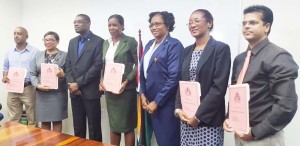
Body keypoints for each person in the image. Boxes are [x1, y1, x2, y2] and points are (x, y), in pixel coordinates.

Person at [223, 5, 298, 146]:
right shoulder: (240, 59)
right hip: (239, 134)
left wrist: (255, 132)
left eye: (253, 23)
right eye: (244, 23)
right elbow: (236, 94)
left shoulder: (278, 56)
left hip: (263, 138)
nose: (246, 27)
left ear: (266, 27)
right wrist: (229, 117)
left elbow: (286, 105)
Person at [175, 9, 231, 146]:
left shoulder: (220, 49)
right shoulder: (187, 50)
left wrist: (199, 116)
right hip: (187, 118)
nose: (192, 25)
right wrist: (178, 109)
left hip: (208, 119)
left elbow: (219, 87)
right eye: (189, 22)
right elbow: (181, 83)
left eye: (196, 20)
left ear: (209, 23)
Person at [139, 11, 184, 146]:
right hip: (148, 102)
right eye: (151, 24)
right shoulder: (149, 44)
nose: (153, 27)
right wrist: (141, 94)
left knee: (167, 141)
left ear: (168, 25)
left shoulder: (174, 45)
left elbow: (174, 77)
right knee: (156, 140)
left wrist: (157, 102)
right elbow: (142, 73)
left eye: (157, 24)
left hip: (165, 104)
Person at [99, 14, 138, 146]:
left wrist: (126, 81)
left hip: (126, 90)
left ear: (122, 26)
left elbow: (139, 65)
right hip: (110, 91)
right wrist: (101, 81)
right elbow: (103, 65)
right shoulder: (106, 43)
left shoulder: (131, 41)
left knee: (127, 126)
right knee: (114, 125)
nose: (111, 27)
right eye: (109, 25)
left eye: (115, 25)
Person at [65, 14, 104, 141]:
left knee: (94, 128)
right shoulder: (72, 41)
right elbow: (68, 63)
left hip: (90, 91)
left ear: (88, 23)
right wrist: (71, 84)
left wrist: (79, 83)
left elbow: (97, 66)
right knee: (78, 127)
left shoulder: (98, 41)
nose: (76, 24)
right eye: (74, 22)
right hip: (74, 91)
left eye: (79, 22)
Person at [30, 31, 68, 132]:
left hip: (58, 94)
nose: (48, 42)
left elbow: (70, 74)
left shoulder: (65, 55)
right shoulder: (37, 55)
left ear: (57, 41)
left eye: (51, 40)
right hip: (42, 93)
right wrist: (38, 85)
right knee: (44, 120)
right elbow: (32, 74)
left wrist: (62, 75)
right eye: (45, 40)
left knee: (57, 120)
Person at [2, 27, 38, 126]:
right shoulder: (9, 52)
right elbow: (5, 68)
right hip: (12, 88)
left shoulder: (35, 52)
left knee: (32, 118)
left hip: (28, 88)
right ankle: (14, 140)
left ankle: (33, 141)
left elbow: (38, 70)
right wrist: (5, 77)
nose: (16, 36)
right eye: (15, 33)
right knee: (13, 119)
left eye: (19, 33)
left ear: (26, 36)